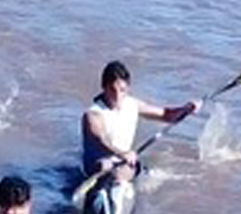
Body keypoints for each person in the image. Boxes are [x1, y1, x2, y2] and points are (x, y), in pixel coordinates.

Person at [81, 60, 197, 191]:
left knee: (120, 172)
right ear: (104, 87)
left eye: (122, 90)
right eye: (113, 90)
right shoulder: (93, 114)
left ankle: (121, 188)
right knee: (104, 165)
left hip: (123, 162)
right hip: (99, 164)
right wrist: (121, 153)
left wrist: (187, 109)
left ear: (128, 88)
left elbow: (167, 115)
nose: (118, 96)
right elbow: (100, 140)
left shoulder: (132, 105)